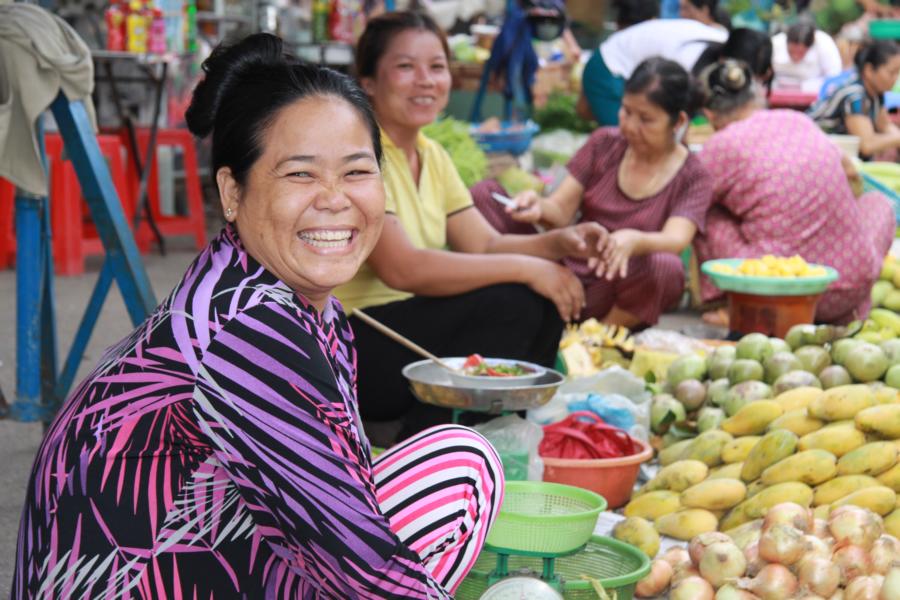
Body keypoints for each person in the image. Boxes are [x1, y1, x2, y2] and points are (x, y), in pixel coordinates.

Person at [12, 33, 505, 598]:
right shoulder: (245, 330)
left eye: (356, 172)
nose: (335, 199)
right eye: (300, 174)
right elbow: (368, 574)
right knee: (458, 479)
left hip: (199, 549)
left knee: (458, 465)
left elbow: (342, 489)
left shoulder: (287, 298)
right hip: (147, 579)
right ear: (232, 190)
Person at [336, 11, 609, 443]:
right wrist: (525, 268)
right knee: (513, 300)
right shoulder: (358, 156)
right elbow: (402, 269)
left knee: (544, 299)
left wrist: (560, 241)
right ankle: (427, 443)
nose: (426, 80)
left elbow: (484, 243)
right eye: (406, 67)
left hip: (410, 331)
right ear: (368, 81)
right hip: (356, 348)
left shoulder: (432, 154)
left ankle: (501, 438)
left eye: (437, 67)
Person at [478, 58, 713, 328]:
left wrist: (634, 241)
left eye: (646, 119)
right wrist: (537, 207)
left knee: (664, 267)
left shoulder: (694, 176)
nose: (630, 126)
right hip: (562, 270)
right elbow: (560, 212)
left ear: (678, 121)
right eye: (626, 112)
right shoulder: (604, 142)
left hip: (616, 286)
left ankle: (599, 337)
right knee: (484, 196)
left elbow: (675, 239)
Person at [694, 60, 895, 325]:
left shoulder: (719, 147)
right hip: (850, 288)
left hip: (781, 293)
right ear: (758, 96)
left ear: (709, 114)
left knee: (698, 209)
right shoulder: (797, 120)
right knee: (878, 203)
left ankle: (730, 306)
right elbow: (849, 173)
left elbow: (686, 205)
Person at [578, 0, 728, 124]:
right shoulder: (693, 55)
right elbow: (676, 100)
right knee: (625, 138)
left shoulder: (719, 40)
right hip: (608, 67)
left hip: (627, 65)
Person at [809, 39, 900, 159]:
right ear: (868, 70)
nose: (895, 78)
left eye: (898, 72)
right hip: (814, 152)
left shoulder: (877, 95)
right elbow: (866, 145)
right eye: (891, 72)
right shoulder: (854, 95)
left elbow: (885, 126)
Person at [771, 21, 843, 93]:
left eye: (800, 53)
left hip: (814, 93)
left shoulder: (824, 44)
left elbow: (834, 78)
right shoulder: (775, 44)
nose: (795, 57)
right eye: (792, 52)